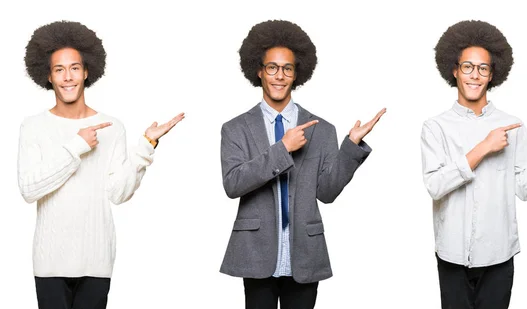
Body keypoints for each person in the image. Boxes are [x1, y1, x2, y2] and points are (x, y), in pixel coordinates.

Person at [18, 20, 184, 309]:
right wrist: (77, 147)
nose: (68, 77)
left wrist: (146, 145)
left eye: (74, 68)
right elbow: (29, 188)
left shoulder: (112, 127)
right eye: (59, 69)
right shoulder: (33, 127)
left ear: (86, 72)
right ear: (48, 76)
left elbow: (118, 194)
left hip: (96, 260)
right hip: (50, 263)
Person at [220, 19, 385, 309]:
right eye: (272, 67)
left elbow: (327, 192)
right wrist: (283, 148)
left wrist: (351, 146)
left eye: (287, 68)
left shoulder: (322, 129)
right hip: (256, 252)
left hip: (305, 252)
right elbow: (233, 184)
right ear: (259, 71)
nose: (279, 76)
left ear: (297, 74)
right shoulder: (235, 129)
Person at [421, 20, 527, 309]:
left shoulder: (511, 125)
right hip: (452, 255)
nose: (474, 75)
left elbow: (524, 188)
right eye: (467, 67)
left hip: (498, 256)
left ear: (492, 74)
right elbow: (435, 186)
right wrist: (483, 148)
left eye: (483, 68)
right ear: (455, 70)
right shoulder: (435, 127)